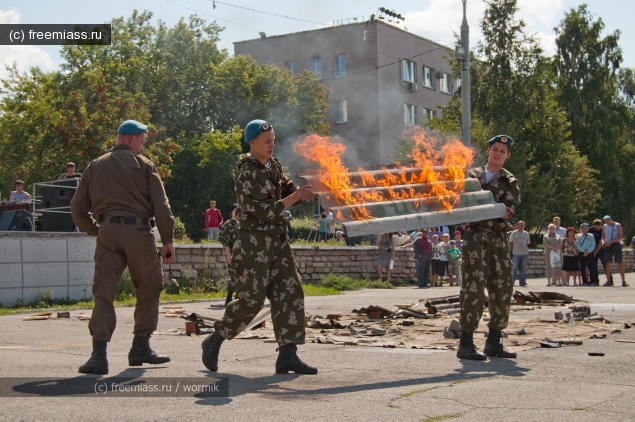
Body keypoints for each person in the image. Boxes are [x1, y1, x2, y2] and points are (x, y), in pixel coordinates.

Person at [201, 119, 317, 375]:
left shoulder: (271, 165)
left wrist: (303, 190)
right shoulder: (247, 173)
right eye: (267, 142)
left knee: (290, 292)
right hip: (254, 243)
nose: (272, 145)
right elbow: (264, 211)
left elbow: (284, 187)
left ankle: (288, 354)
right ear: (252, 143)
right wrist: (295, 197)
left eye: (274, 140)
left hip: (278, 241)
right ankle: (215, 339)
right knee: (251, 301)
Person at [70, 119, 175, 375]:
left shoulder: (95, 166)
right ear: (130, 138)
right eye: (142, 140)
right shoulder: (143, 164)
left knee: (104, 291)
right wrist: (168, 240)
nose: (143, 145)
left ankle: (98, 356)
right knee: (150, 285)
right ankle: (140, 347)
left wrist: (97, 229)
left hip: (107, 233)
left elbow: (77, 209)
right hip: (138, 233)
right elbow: (161, 207)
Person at [458, 134, 520, 361]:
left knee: (502, 286)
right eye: (495, 149)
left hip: (498, 240)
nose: (498, 153)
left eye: (503, 151)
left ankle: (494, 341)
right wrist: (492, 209)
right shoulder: (471, 176)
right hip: (475, 240)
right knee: (472, 286)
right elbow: (464, 205)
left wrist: (488, 211)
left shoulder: (510, 181)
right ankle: (465, 343)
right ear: (489, 150)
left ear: (508, 155)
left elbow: (509, 209)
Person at [219, 204, 239, 306]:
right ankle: (228, 298)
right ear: (232, 212)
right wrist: (228, 255)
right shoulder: (228, 225)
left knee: (243, 276)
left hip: (243, 254)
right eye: (236, 210)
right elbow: (225, 241)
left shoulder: (243, 224)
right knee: (233, 276)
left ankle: (238, 298)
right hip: (233, 253)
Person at [602, 215, 628, 287]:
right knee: (607, 262)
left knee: (619, 261)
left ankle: (623, 281)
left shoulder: (617, 225)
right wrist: (603, 242)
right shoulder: (604, 226)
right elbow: (603, 236)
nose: (607, 222)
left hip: (616, 244)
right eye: (605, 220)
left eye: (608, 220)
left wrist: (611, 241)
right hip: (607, 245)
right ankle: (608, 281)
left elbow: (620, 236)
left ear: (610, 219)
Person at [509, 221, 531, 287]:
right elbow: (510, 243)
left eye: (522, 225)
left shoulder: (526, 233)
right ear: (518, 226)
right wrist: (514, 249)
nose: (521, 226)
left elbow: (527, 243)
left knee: (523, 269)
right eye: (520, 225)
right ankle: (512, 282)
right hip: (516, 254)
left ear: (524, 226)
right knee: (514, 268)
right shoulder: (514, 233)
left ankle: (522, 283)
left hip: (524, 253)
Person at [588, 219, 604, 286]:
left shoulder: (602, 231)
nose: (598, 227)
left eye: (599, 226)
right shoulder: (590, 230)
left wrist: (596, 252)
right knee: (593, 266)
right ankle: (595, 280)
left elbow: (601, 243)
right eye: (596, 226)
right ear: (594, 225)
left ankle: (610, 280)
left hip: (600, 248)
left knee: (605, 264)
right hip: (592, 248)